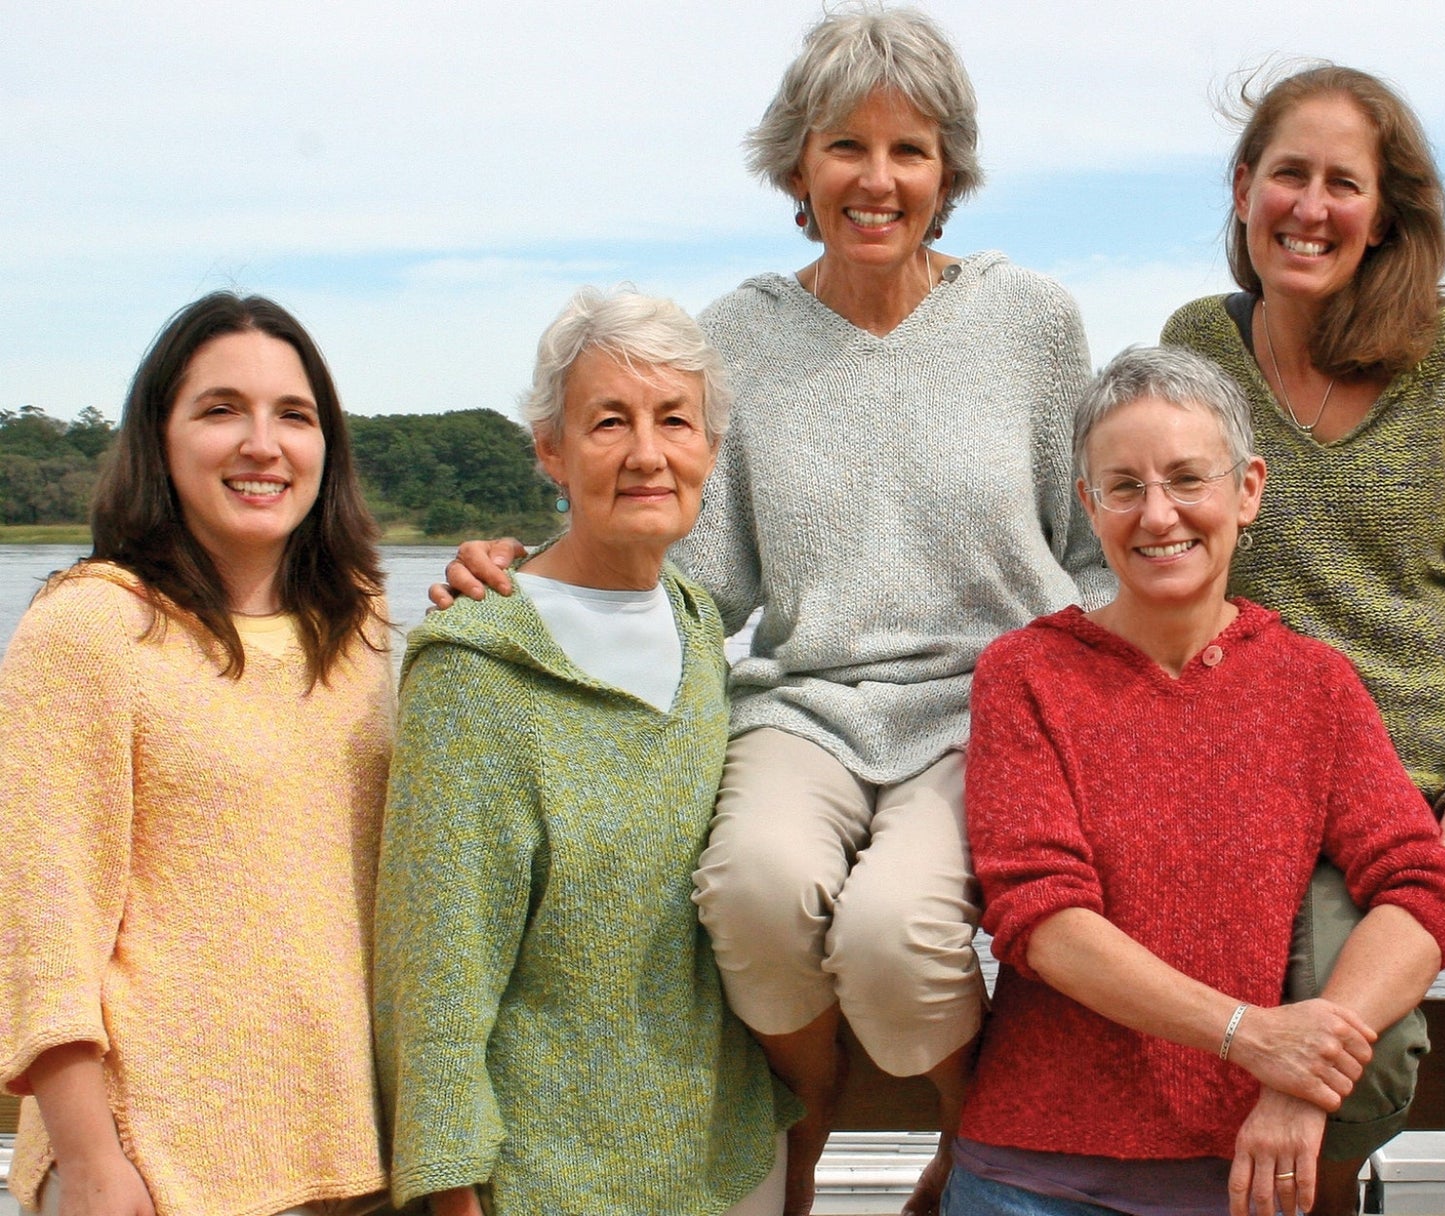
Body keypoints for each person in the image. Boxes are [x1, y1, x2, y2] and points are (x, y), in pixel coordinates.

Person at [433, 10, 1109, 1212]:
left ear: (948, 170)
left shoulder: (1032, 322)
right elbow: (693, 575)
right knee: (749, 889)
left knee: (893, 935)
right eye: (843, 145)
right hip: (806, 704)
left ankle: (970, 1147)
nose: (876, 179)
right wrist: (523, 572)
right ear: (795, 166)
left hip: (985, 707)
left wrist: (1106, 717)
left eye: (909, 150)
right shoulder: (737, 336)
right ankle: (806, 1124)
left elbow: (1090, 554)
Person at [1160, 63, 1445, 1215]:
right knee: (1351, 1062)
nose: (1309, 207)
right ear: (1240, 187)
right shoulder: (1196, 349)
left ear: (1384, 214)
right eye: (1287, 175)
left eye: (1341, 184)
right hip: (1313, 780)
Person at [947, 345, 1445, 1216]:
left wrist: (1302, 1077)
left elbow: (1423, 886)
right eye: (1124, 486)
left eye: (1188, 478)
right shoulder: (1025, 673)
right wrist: (1251, 1036)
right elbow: (1039, 917)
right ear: (1089, 504)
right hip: (1030, 1174)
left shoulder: (1314, 684)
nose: (1159, 516)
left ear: (1248, 490)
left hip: (1247, 1180)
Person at [373, 290, 790, 1216]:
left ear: (711, 452)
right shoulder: (476, 666)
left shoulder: (701, 634)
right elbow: (436, 968)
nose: (647, 453)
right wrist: (451, 1189)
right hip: (544, 1180)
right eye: (609, 422)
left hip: (724, 1161)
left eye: (674, 421)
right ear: (551, 451)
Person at [0, 293, 393, 1216]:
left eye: (293, 416)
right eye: (221, 410)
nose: (263, 444)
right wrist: (94, 1167)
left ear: (325, 448)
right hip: (156, 1163)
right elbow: (41, 924)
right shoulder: (90, 628)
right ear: (160, 439)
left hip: (357, 1152)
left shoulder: (362, 624)